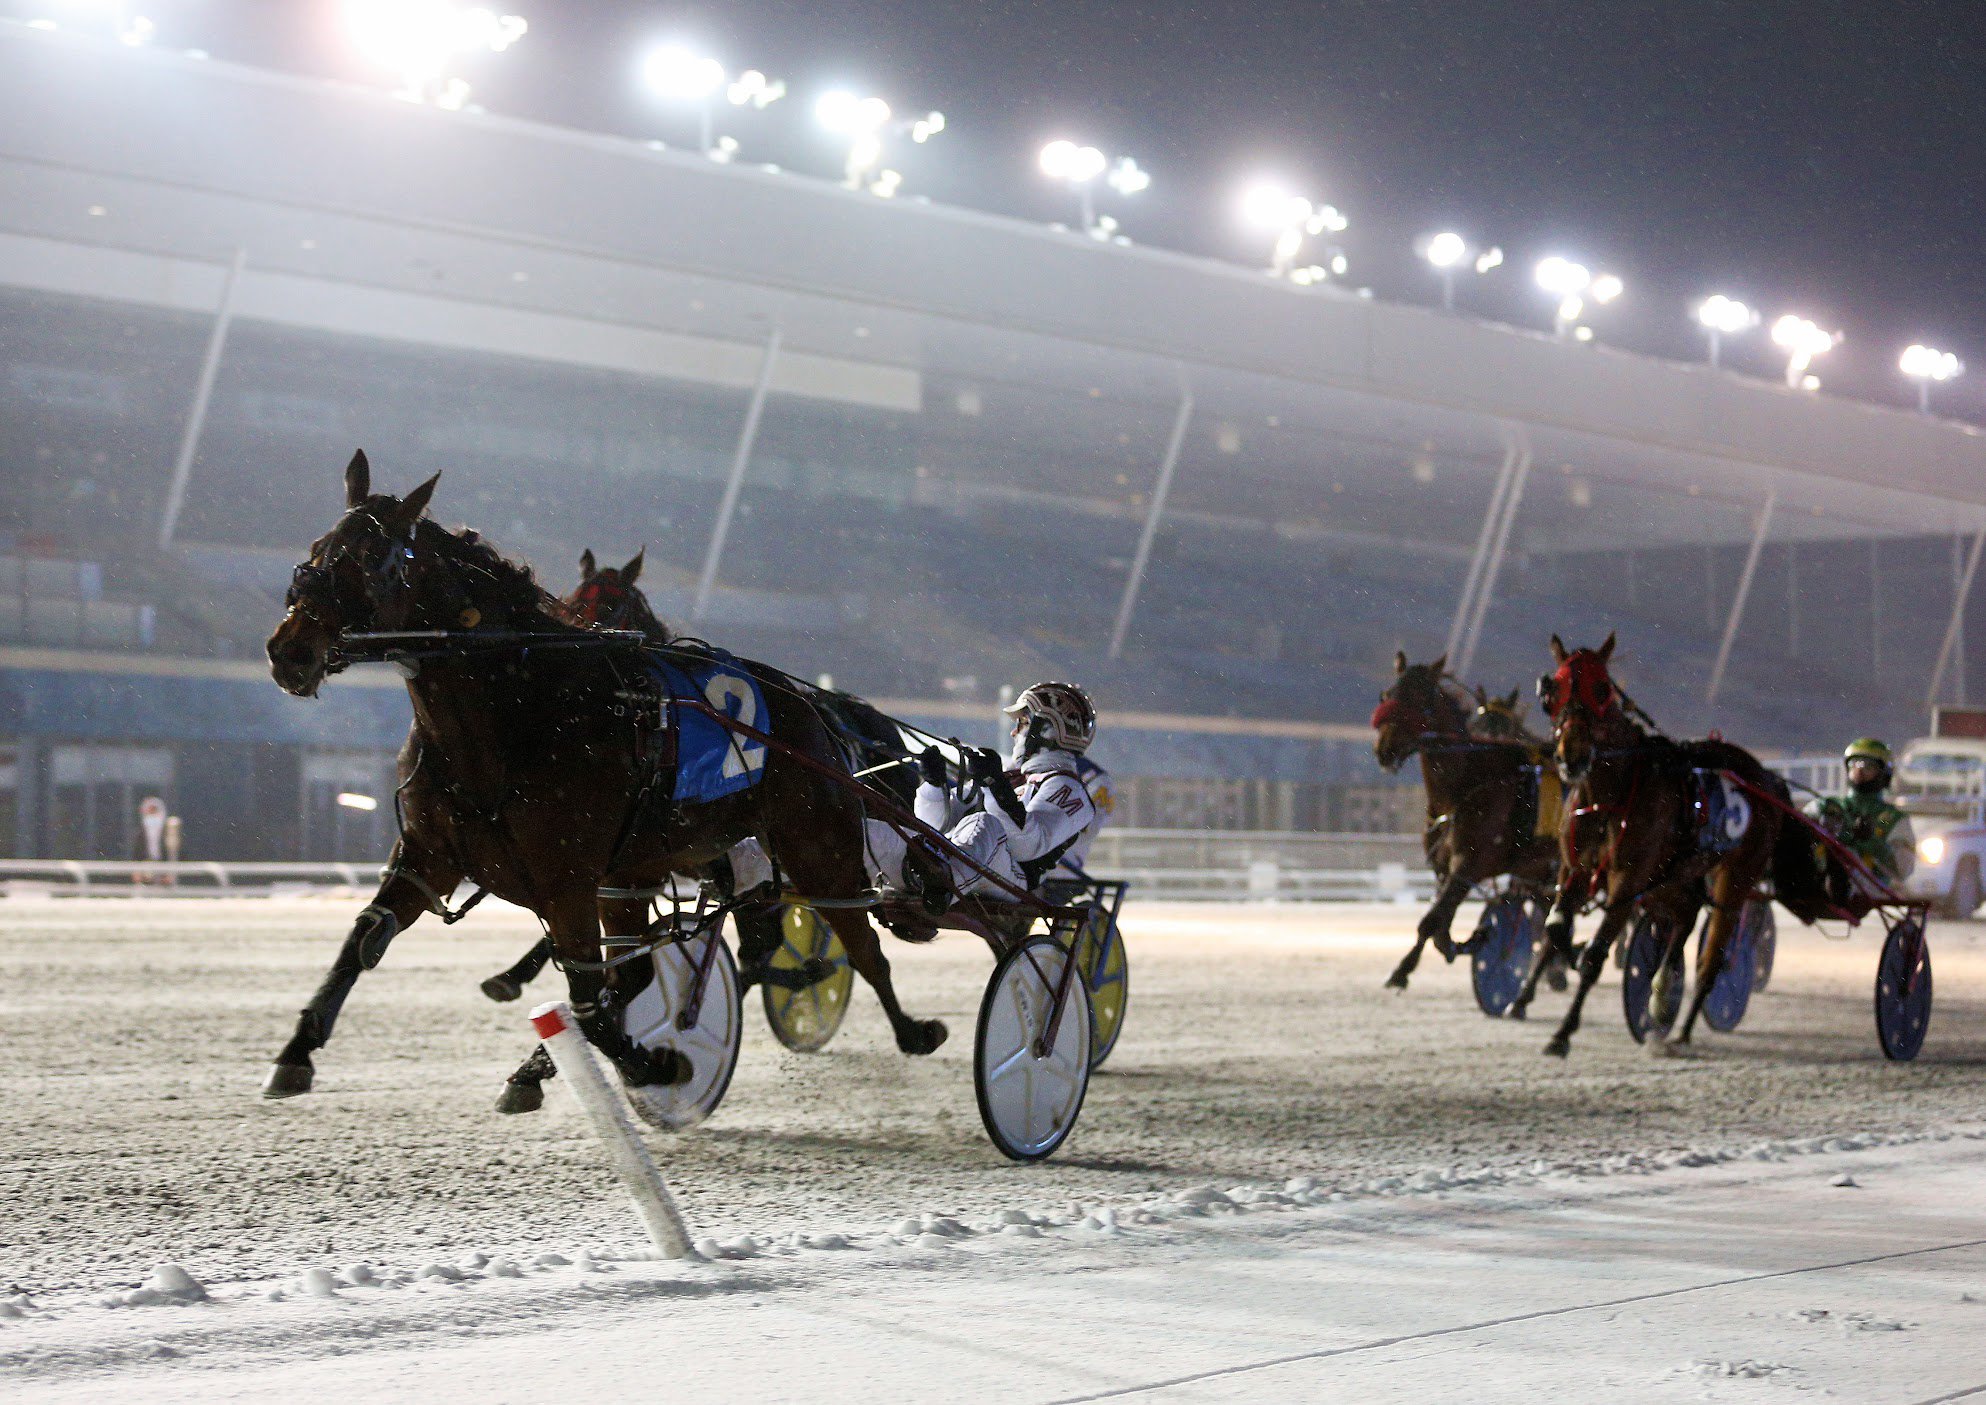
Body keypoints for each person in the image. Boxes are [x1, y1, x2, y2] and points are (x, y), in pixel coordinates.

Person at [866, 681, 1100, 902]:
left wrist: (994, 784)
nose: (1014, 733)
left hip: (1012, 880)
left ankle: (941, 882)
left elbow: (1025, 846)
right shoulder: (1010, 775)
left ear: (1048, 730)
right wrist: (933, 786)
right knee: (867, 828)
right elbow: (935, 827)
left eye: (1023, 723)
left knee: (985, 823)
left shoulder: (1069, 789)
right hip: (956, 863)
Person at [1809, 737, 1915, 889]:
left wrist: (1871, 840)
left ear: (1884, 773)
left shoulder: (1889, 818)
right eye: (1854, 764)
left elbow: (1903, 870)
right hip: (1817, 880)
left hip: (1868, 888)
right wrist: (1818, 825)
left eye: (1867, 766)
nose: (1859, 770)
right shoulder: (1826, 806)